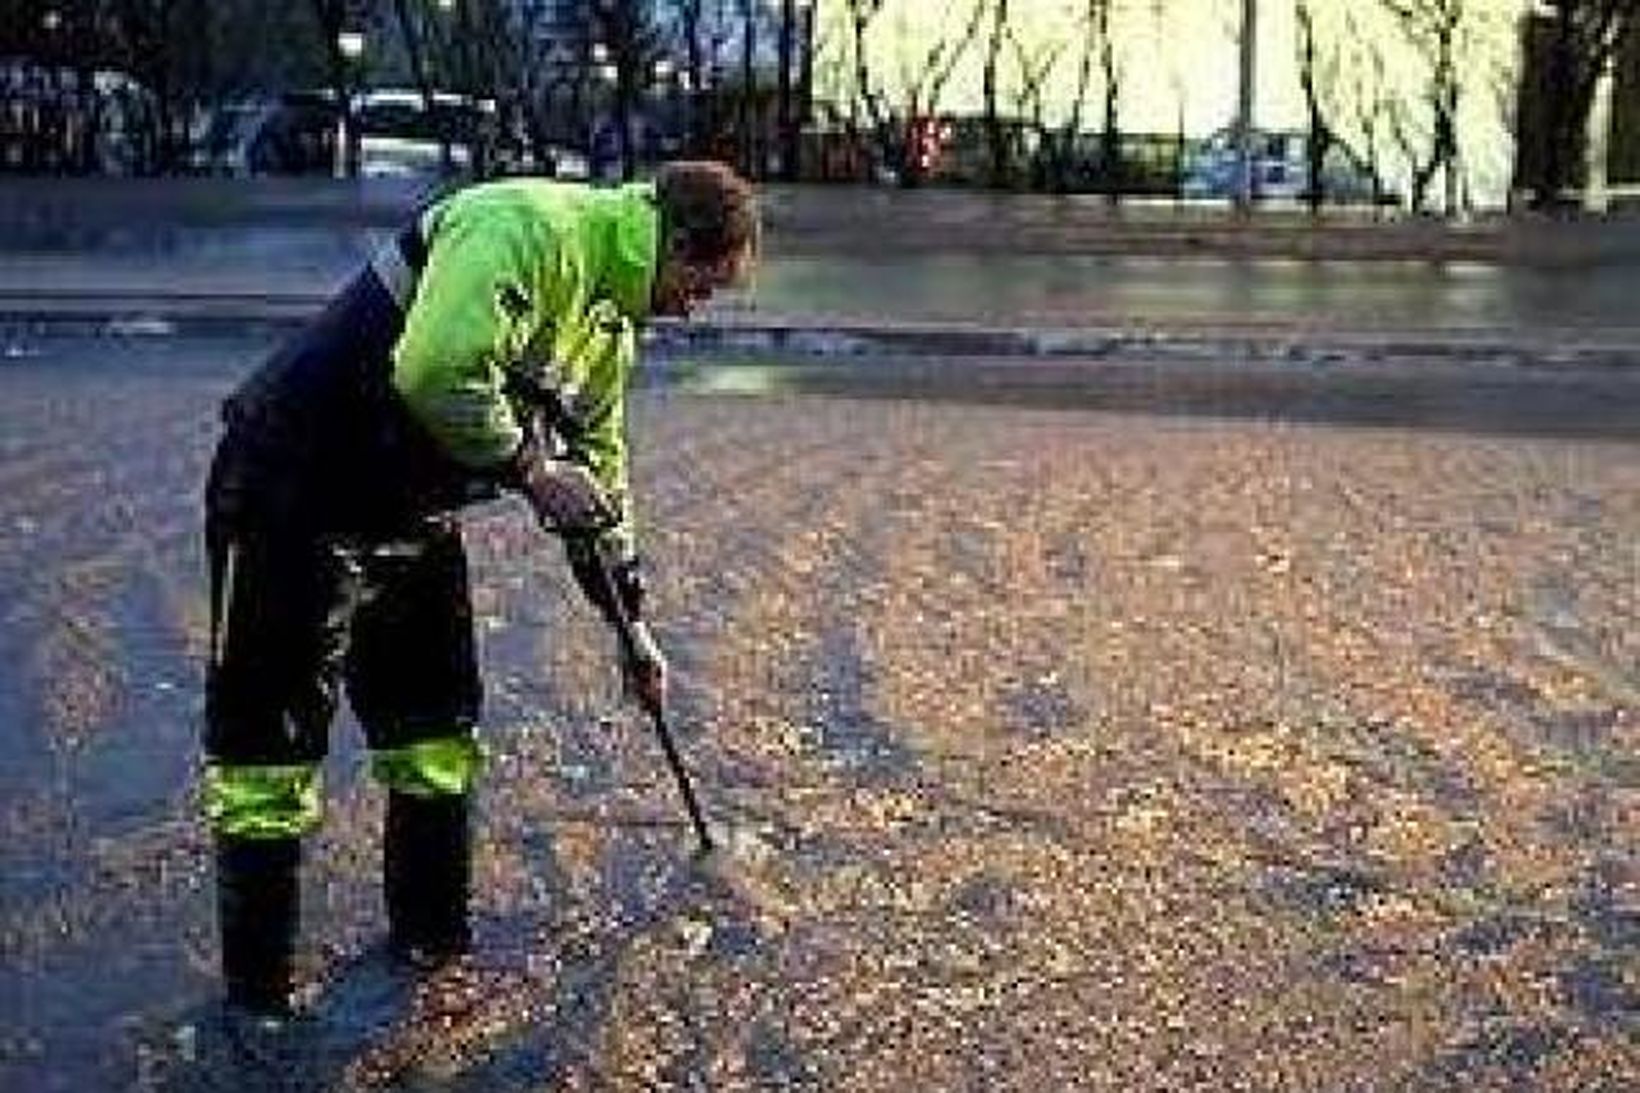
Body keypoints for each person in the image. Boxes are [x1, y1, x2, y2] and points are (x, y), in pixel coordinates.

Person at [202, 161, 759, 1018]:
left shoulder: (606, 331)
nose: (696, 306)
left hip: (412, 512)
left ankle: (430, 945)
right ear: (676, 241)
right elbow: (432, 369)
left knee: (435, 733)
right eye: (701, 285)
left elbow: (600, 479)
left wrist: (630, 627)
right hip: (294, 486)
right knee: (268, 754)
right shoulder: (529, 226)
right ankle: (259, 1001)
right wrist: (531, 468)